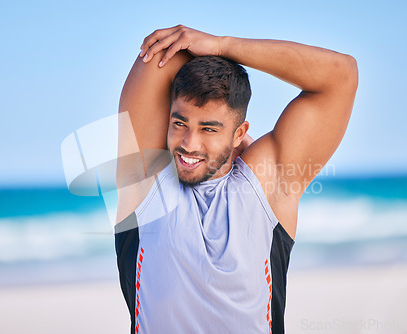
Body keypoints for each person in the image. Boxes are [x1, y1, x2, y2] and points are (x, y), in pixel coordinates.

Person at [114, 25, 358, 334]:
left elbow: (341, 75)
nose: (189, 143)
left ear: (238, 134)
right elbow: (162, 53)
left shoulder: (267, 186)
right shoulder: (145, 182)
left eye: (209, 129)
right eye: (180, 123)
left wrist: (223, 45)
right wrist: (207, 51)